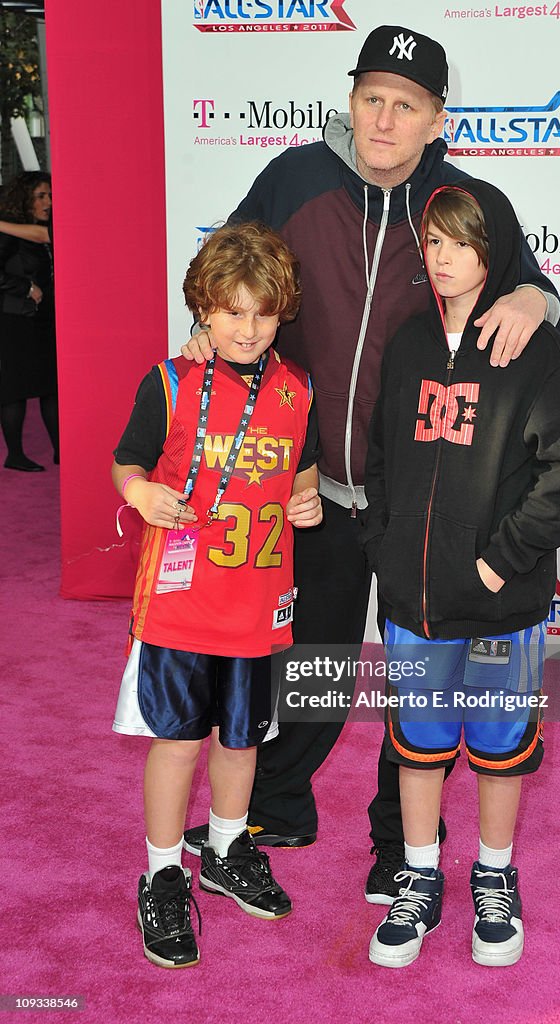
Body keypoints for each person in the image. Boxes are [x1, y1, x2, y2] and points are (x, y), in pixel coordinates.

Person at [181, 24, 560, 904]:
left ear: (437, 119)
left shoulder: (461, 201)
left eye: (406, 106)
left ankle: (403, 845)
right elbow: (228, 272)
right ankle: (276, 808)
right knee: (313, 662)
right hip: (313, 490)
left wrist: (529, 294)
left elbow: (550, 308)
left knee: (412, 684)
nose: (384, 120)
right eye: (371, 99)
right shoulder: (295, 176)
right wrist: (205, 325)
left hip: (419, 505)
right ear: (350, 98)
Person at [362, 181, 560, 969]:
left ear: (494, 253)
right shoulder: (409, 342)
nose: (445, 257)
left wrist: (496, 566)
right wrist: (385, 546)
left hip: (501, 606)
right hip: (414, 602)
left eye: (463, 242)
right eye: (433, 242)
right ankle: (418, 877)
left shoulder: (535, 348)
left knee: (498, 747)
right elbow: (382, 458)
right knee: (418, 745)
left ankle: (494, 874)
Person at [111, 222, 322, 968]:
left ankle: (228, 849)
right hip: (180, 602)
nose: (247, 328)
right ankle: (163, 871)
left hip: (257, 604)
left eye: (262, 313)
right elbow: (127, 459)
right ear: (203, 309)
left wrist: (307, 503)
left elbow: (301, 474)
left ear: (280, 313)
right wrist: (139, 493)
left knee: (241, 741)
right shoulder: (169, 381)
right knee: (178, 739)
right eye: (231, 311)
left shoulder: (297, 390)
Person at [0, 172, 58, 471]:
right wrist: (23, 288)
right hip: (14, 320)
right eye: (40, 197)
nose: (48, 202)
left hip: (43, 320)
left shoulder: (40, 228)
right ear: (25, 199)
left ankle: (62, 450)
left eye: (50, 195)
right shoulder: (9, 233)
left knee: (52, 386)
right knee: (15, 389)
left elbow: (47, 236)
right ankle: (15, 455)